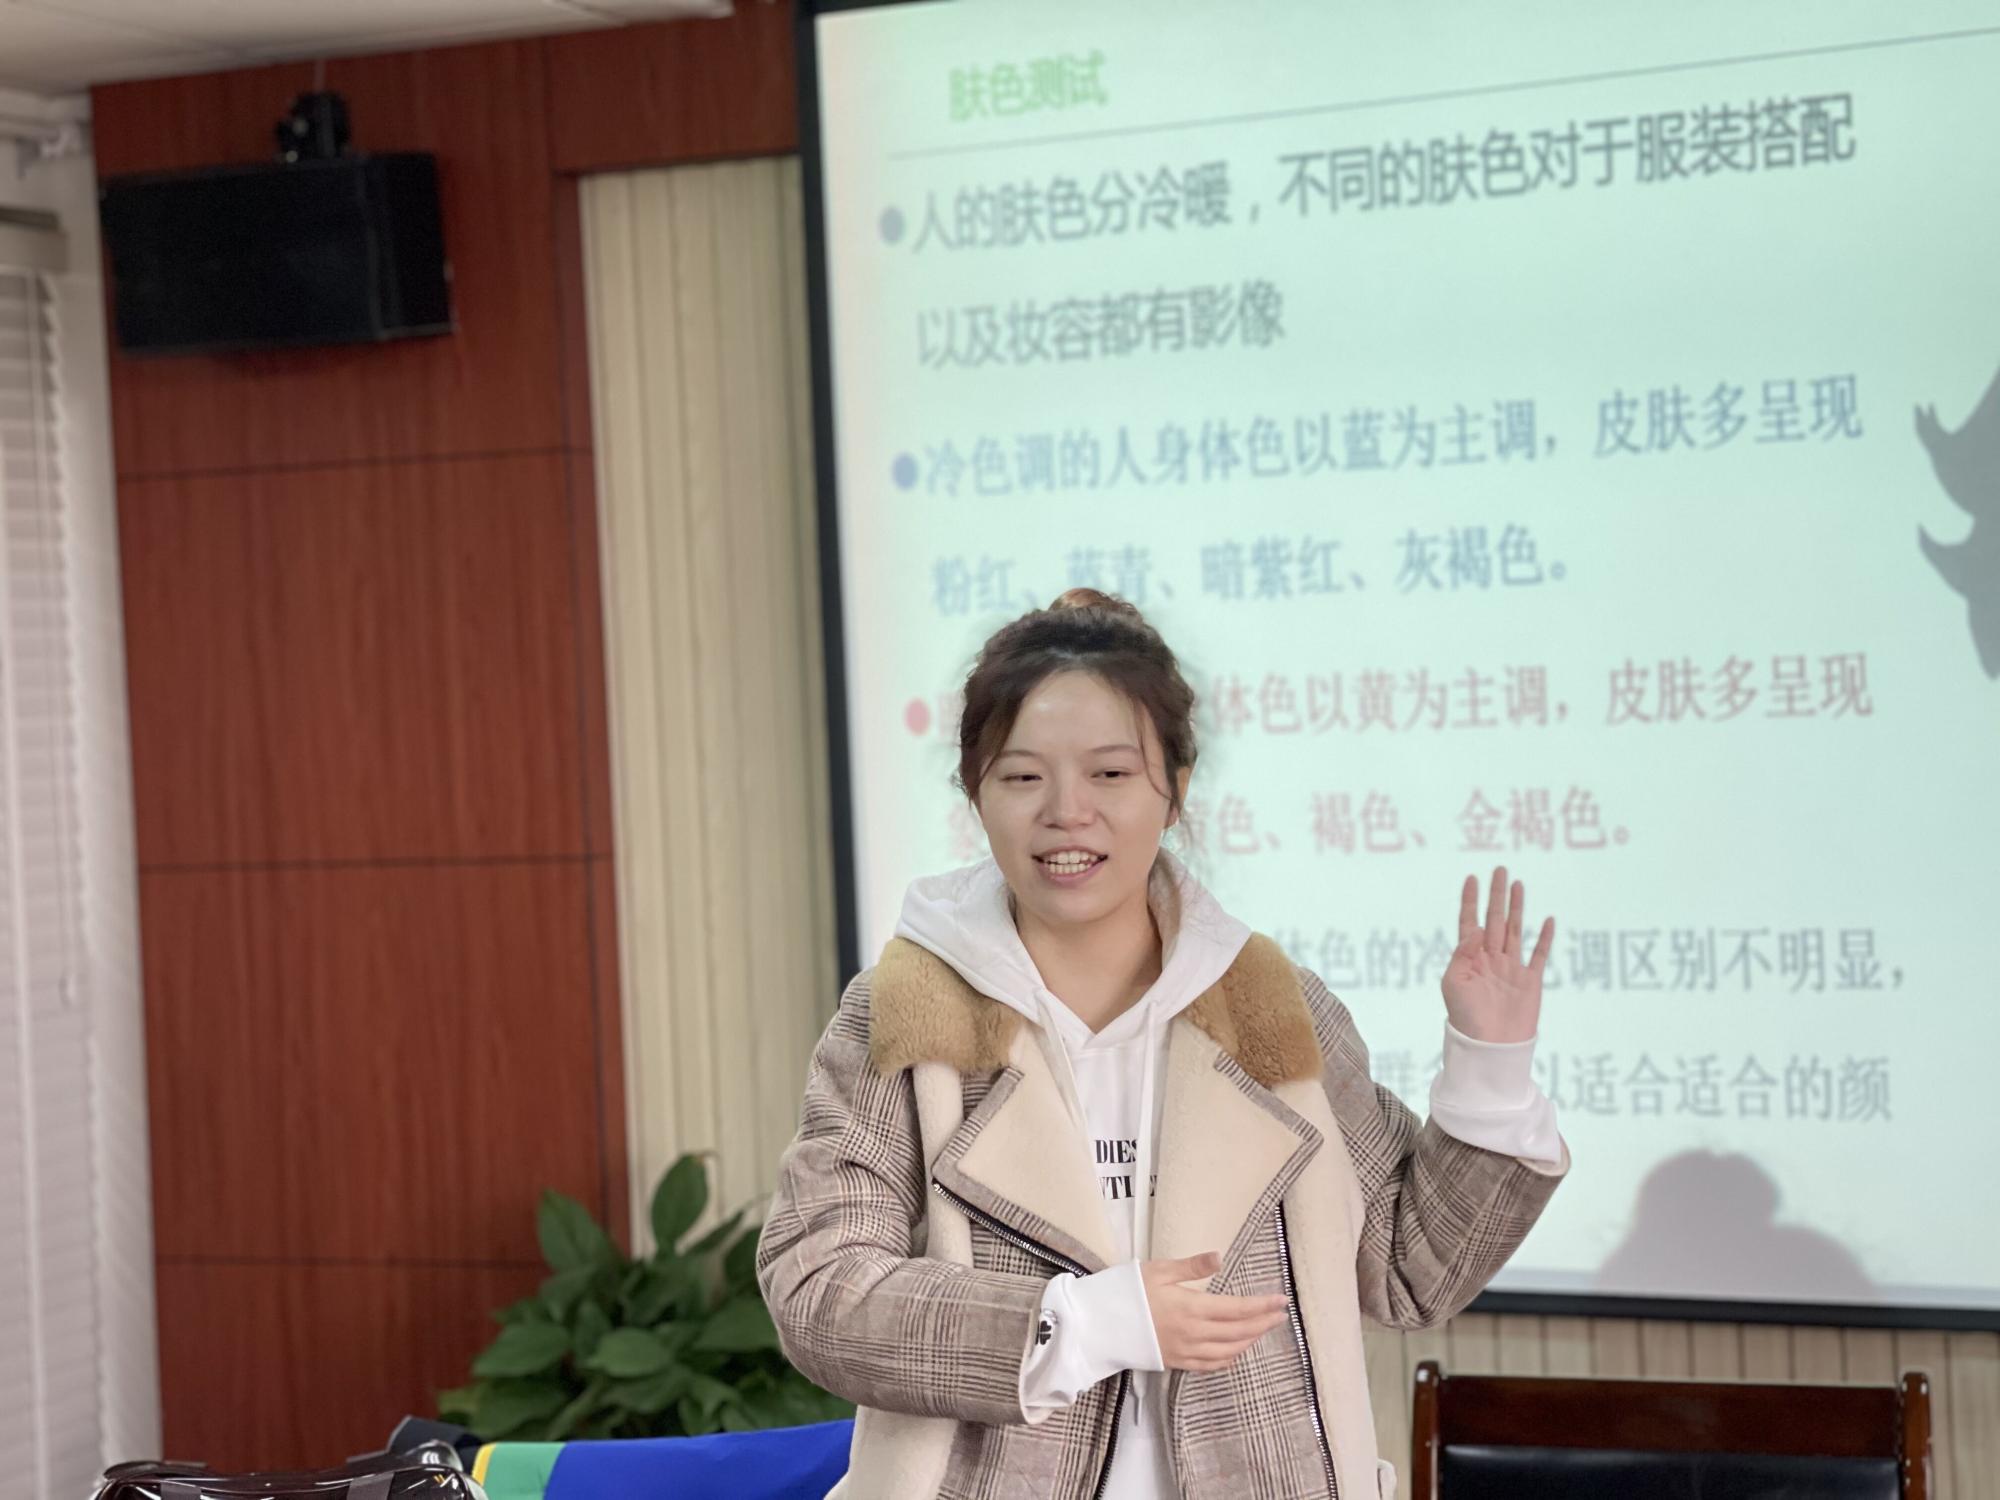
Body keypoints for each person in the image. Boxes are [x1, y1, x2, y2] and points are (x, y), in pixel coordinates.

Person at [757, 589, 1569, 1500]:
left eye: (1110, 774)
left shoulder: (1268, 1006)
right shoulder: (905, 1014)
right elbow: (820, 1289)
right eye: (1022, 777)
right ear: (975, 792)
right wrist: (1086, 1323)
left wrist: (1490, 1064)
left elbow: (1408, 1272)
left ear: (1175, 790)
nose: (1067, 812)